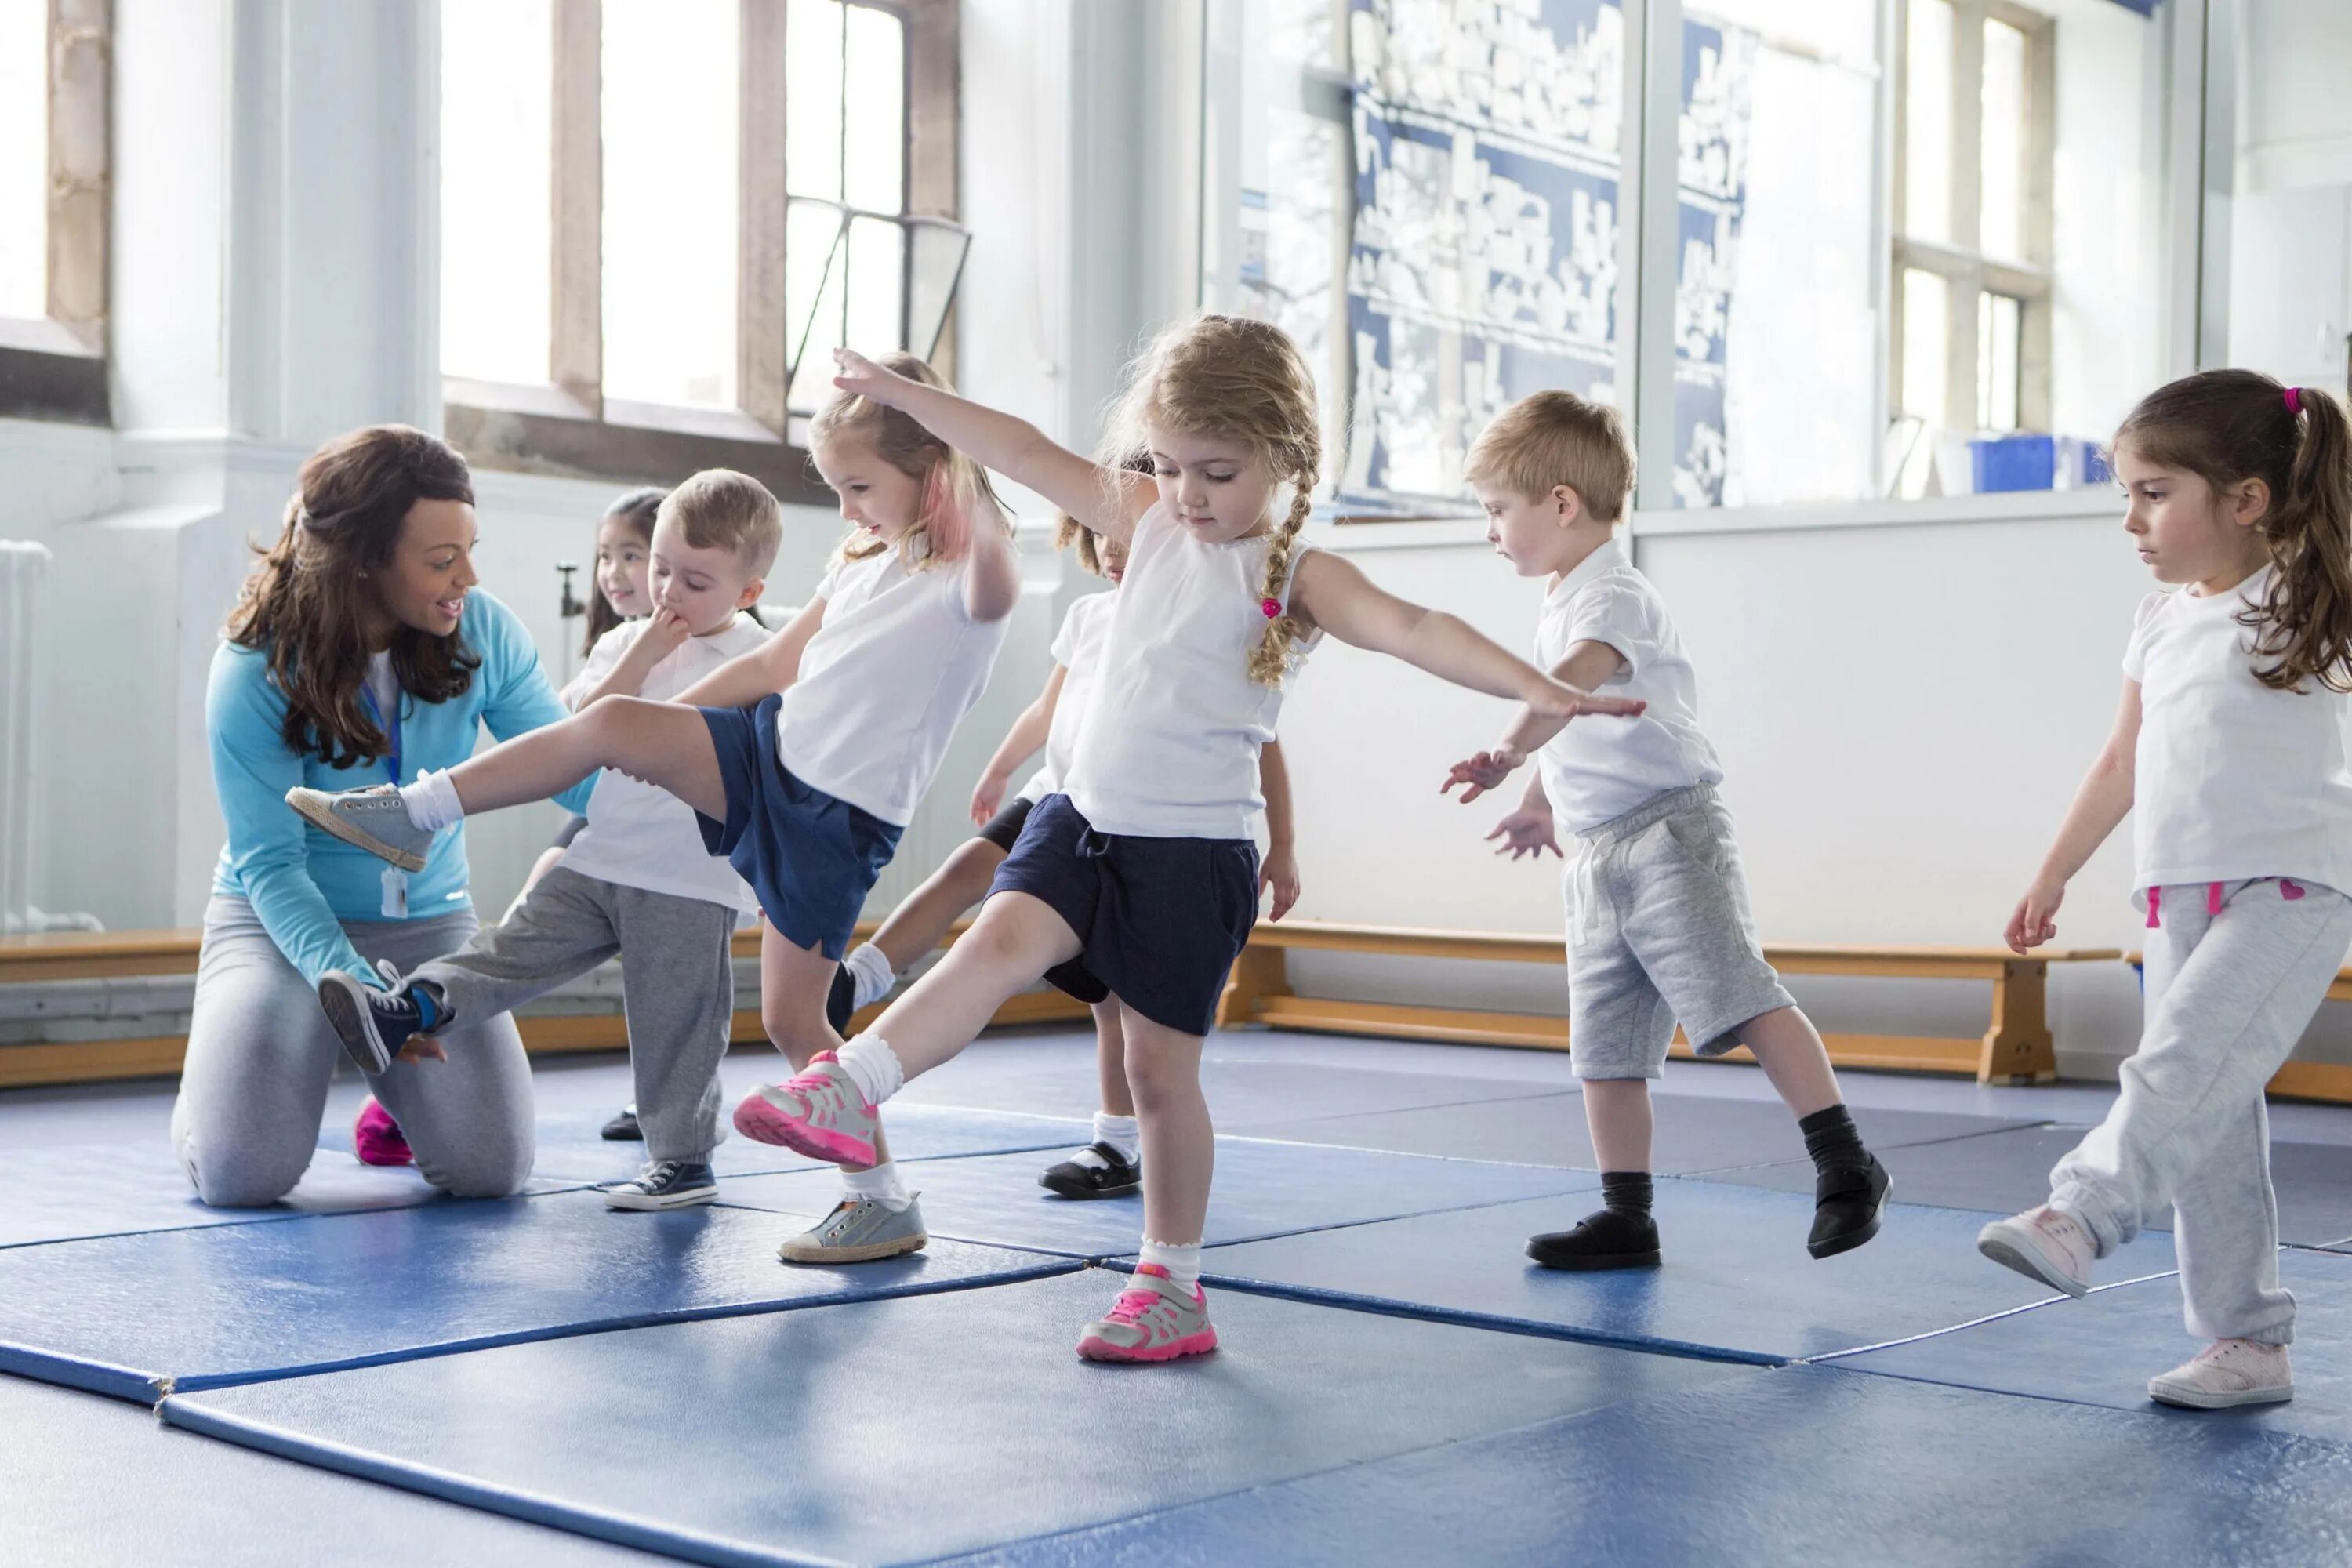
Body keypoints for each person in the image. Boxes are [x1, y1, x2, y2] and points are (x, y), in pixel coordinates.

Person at [728, 317, 1642, 1362]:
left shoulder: (1296, 575)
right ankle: (852, 1085)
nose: (1189, 493)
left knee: (1162, 1078)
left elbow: (1418, 629)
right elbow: (1020, 449)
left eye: (1217, 471)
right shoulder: (1148, 518)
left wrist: (1540, 690)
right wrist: (911, 398)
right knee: (990, 946)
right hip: (1082, 820)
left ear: (1284, 460)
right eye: (1168, 466)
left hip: (1192, 856)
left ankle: (1172, 1284)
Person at [286, 352, 1019, 1265]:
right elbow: (767, 668)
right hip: (766, 757)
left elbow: (987, 553)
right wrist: (654, 731)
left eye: (859, 485)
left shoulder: (972, 579)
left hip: (835, 815)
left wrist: (937, 423)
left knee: (796, 1022)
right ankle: (410, 812)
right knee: (614, 724)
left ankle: (880, 1200)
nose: (846, 509)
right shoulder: (861, 555)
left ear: (938, 470)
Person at [1441, 390, 1889, 1272]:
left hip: (1668, 838)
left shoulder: (1616, 595)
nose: (1490, 530)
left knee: (1740, 993)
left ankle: (1846, 1161)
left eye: (1498, 510)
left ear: (1561, 503)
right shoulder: (1566, 595)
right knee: (1605, 1048)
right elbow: (1578, 717)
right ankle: (1626, 1213)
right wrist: (1538, 798)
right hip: (1598, 851)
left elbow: (1567, 688)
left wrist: (1504, 747)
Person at [1984, 371, 2352, 1412]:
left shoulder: (2312, 596)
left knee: (2176, 1068)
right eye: (2125, 495)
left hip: (2295, 886)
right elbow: (2119, 760)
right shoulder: (2155, 621)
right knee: (2211, 1123)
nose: (2132, 520)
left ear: (2245, 499)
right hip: (2177, 893)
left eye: (2154, 492)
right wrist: (2054, 872)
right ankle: (2247, 1344)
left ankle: (2081, 1213)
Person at [316, 472, 777, 1211]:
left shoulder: (760, 659)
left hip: (689, 874)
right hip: (601, 854)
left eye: (694, 581)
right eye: (660, 570)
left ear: (748, 592)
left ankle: (684, 1160)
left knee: (674, 1018)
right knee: (510, 947)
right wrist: (643, 650)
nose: (667, 592)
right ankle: (404, 1009)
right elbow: (577, 733)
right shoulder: (625, 643)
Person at [826, 517, 1301, 1200]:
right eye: (1100, 530)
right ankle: (861, 977)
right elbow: (1048, 710)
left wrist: (1282, 845)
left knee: (1115, 1001)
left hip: (1141, 825)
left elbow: (1266, 742)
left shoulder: (1201, 626)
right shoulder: (1087, 616)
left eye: (1127, 532)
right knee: (967, 869)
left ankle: (1115, 1141)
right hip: (1058, 798)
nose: (1111, 547)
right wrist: (998, 770)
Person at [176, 424, 590, 1207]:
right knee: (242, 1175)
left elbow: (568, 767)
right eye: (442, 560)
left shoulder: (483, 628)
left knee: (491, 1170)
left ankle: (393, 1095)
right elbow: (270, 862)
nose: (467, 575)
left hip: (429, 923)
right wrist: (365, 997)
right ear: (362, 557)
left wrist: (688, 807)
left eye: (469, 548)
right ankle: (216, 1095)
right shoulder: (254, 665)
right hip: (278, 923)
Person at [356, 485, 670, 1163]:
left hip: (671, 829)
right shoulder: (615, 644)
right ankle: (406, 1072)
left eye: (634, 557)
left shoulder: (722, 644)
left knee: (668, 957)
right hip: (606, 812)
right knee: (534, 907)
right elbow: (571, 733)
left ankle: (664, 1099)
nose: (614, 573)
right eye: (605, 556)